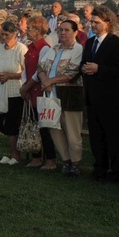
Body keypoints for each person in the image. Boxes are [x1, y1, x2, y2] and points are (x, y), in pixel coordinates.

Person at [81, 6, 119, 183]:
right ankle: (99, 167)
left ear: (107, 23)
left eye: (96, 22)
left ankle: (116, 171)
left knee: (112, 136)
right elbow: (83, 63)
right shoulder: (90, 43)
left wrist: (99, 69)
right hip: (92, 96)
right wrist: (84, 68)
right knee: (96, 135)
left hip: (109, 97)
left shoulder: (116, 43)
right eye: (91, 21)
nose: (92, 25)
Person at [37, 20, 84, 176]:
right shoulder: (54, 48)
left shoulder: (78, 49)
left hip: (69, 97)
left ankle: (76, 162)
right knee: (55, 130)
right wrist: (44, 79)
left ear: (75, 32)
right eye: (60, 30)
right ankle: (66, 160)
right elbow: (41, 66)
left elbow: (73, 72)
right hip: (51, 96)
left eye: (67, 30)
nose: (63, 33)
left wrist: (50, 80)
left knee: (72, 132)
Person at [19, 16, 57, 170]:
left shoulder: (44, 48)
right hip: (30, 90)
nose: (27, 31)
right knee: (34, 123)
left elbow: (39, 71)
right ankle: (36, 156)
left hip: (39, 91)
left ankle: (50, 159)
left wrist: (26, 87)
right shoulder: (30, 47)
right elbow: (25, 67)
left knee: (44, 127)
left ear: (37, 30)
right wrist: (25, 86)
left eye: (29, 28)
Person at [0, 21, 27, 165]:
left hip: (16, 91)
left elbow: (26, 72)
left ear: (14, 34)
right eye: (2, 34)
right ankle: (13, 153)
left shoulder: (21, 49)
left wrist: (9, 76)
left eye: (6, 34)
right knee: (6, 124)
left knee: (14, 124)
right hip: (2, 90)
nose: (3, 37)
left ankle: (17, 155)